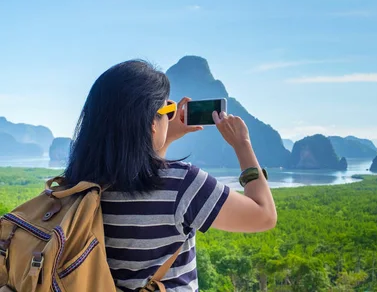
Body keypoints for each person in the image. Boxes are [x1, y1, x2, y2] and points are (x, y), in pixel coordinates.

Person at [63, 59, 277, 292]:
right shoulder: (182, 184)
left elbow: (141, 171)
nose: (172, 114)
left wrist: (165, 136)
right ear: (151, 123)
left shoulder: (78, 184)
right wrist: (242, 145)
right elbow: (264, 215)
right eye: (167, 110)